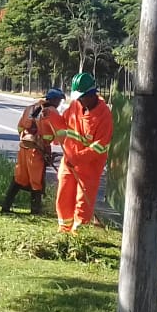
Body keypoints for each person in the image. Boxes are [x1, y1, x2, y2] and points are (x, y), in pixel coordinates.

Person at [51, 72, 112, 233]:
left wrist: (78, 158)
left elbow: (100, 146)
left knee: (82, 201)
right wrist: (49, 116)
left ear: (92, 95)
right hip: (69, 161)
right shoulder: (75, 105)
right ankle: (64, 229)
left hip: (89, 167)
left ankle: (79, 234)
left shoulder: (104, 115)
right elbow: (63, 123)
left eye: (82, 97)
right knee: (63, 195)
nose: (79, 100)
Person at [2, 88, 64, 214]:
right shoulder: (51, 111)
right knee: (36, 180)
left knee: (20, 176)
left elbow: (20, 127)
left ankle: (6, 206)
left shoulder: (30, 108)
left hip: (24, 148)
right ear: (54, 100)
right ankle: (35, 210)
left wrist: (25, 137)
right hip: (37, 151)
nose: (59, 103)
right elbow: (59, 133)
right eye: (58, 100)